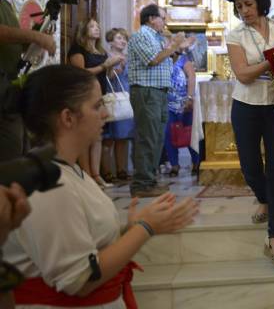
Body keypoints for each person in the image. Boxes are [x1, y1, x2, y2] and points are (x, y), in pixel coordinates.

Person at [3, 64, 198, 308]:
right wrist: (146, 228)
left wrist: (130, 229)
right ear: (68, 117)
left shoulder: (70, 171)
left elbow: (90, 243)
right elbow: (80, 279)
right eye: (97, 106)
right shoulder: (49, 185)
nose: (105, 113)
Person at [225, 0, 274, 268]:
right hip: (246, 107)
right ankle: (262, 197)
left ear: (260, 1)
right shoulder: (235, 35)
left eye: (248, 4)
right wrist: (273, 61)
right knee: (250, 167)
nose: (244, 11)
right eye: (239, 6)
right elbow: (242, 74)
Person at [0, 0, 56, 161]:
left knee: (17, 147)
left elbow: (11, 39)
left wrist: (36, 40)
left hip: (8, 85)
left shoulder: (4, 3)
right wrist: (35, 36)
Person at [127, 4, 185, 198]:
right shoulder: (142, 35)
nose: (165, 22)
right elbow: (153, 59)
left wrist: (177, 50)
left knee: (157, 136)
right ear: (151, 19)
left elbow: (167, 61)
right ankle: (141, 184)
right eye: (163, 18)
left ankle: (149, 181)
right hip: (146, 91)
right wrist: (174, 45)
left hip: (159, 92)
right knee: (147, 136)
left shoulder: (157, 37)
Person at [68, 19, 123, 188]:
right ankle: (86, 174)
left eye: (98, 26)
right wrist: (103, 66)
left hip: (100, 95)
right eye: (92, 26)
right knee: (86, 135)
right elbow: (80, 73)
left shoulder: (100, 51)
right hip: (84, 95)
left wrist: (115, 67)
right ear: (83, 29)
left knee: (97, 136)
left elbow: (107, 76)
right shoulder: (78, 49)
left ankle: (97, 174)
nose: (96, 29)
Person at [163, 38, 199, 177]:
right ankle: (174, 164)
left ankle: (196, 163)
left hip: (185, 103)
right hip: (167, 103)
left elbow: (191, 77)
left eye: (169, 43)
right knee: (169, 134)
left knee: (190, 134)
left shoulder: (184, 59)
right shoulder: (162, 59)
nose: (167, 45)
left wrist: (190, 98)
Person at [102, 28, 135, 181]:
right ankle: (107, 171)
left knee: (123, 137)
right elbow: (106, 76)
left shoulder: (128, 57)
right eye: (119, 38)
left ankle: (122, 170)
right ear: (111, 40)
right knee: (108, 138)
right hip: (112, 97)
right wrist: (116, 67)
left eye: (124, 39)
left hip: (125, 99)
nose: (123, 41)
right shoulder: (106, 56)